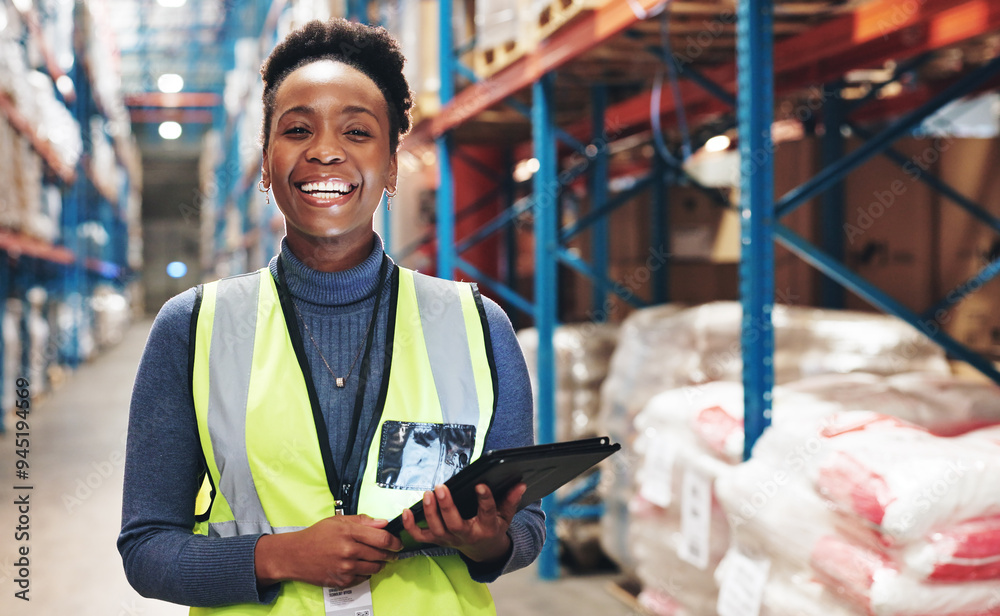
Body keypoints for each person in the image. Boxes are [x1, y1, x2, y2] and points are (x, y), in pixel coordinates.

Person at [118, 18, 544, 615]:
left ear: (392, 167)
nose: (325, 150)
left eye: (357, 131)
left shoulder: (478, 326)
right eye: (297, 129)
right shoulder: (194, 327)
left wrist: (489, 540)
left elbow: (525, 528)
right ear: (266, 166)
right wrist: (279, 556)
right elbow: (146, 548)